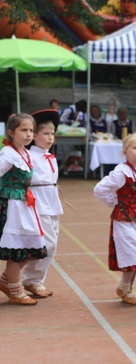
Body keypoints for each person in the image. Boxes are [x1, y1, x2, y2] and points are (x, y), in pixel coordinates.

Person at [93, 133, 136, 306]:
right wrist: (116, 202)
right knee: (132, 255)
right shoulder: (122, 171)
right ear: (125, 152)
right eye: (135, 148)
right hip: (124, 219)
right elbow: (100, 189)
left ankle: (127, 288)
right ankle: (123, 287)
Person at [0, 114, 47, 305]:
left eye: (30, 131)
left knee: (32, 247)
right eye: (23, 130)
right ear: (11, 132)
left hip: (24, 205)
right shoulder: (8, 154)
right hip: (11, 206)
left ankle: (6, 281)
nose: (28, 134)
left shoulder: (25, 153)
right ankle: (16, 292)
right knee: (16, 249)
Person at [21, 109, 63, 299]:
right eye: (45, 134)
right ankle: (31, 279)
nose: (50, 137)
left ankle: (35, 280)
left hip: (52, 201)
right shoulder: (29, 156)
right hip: (38, 203)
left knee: (52, 242)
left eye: (52, 134)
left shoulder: (50, 157)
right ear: (35, 135)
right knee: (47, 244)